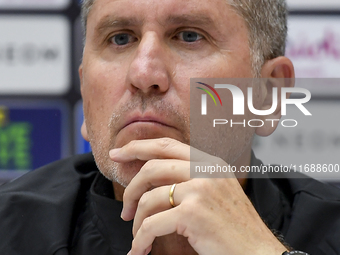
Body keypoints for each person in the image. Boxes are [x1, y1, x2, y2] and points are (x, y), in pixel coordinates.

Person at [1, 0, 340, 254]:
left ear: (267, 95)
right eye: (120, 38)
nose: (144, 74)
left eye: (189, 36)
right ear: (87, 95)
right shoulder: (10, 228)